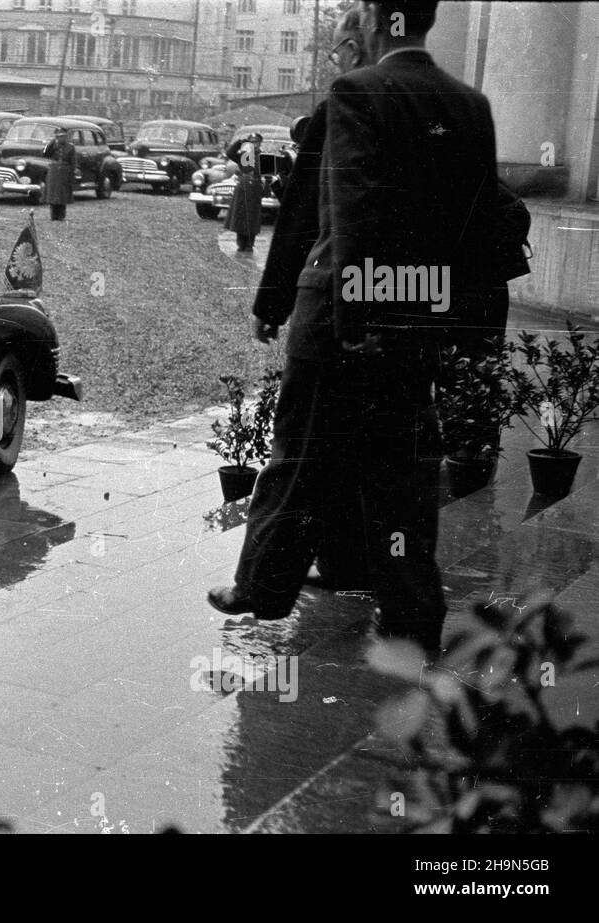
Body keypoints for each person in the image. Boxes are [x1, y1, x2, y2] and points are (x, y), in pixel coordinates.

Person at [208, 0, 500, 656]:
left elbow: (350, 212)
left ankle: (261, 585)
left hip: (342, 318)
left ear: (374, 20)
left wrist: (350, 320)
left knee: (299, 452)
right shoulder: (471, 104)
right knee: (402, 476)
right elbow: (479, 231)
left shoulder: (355, 93)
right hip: (416, 320)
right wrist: (449, 328)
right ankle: (413, 616)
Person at [219, 5, 375, 602]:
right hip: (415, 308)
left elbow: (304, 219)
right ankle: (352, 565)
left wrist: (273, 301)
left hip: (336, 303)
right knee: (377, 446)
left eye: (336, 52)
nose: (334, 62)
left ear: (356, 51)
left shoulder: (347, 106)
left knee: (300, 443)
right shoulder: (446, 103)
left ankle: (259, 585)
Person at [224, 132, 263, 253]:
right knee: (240, 216)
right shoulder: (245, 155)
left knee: (252, 218)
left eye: (256, 142)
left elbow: (269, 173)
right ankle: (241, 243)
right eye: (252, 141)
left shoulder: (263, 156)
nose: (254, 144)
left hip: (256, 188)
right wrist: (239, 142)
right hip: (244, 187)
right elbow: (229, 153)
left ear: (260, 143)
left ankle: (250, 244)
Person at [41, 126, 78, 221]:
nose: (61, 138)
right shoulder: (53, 146)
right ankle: (53, 215)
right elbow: (45, 153)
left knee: (62, 195)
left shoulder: (70, 147)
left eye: (63, 136)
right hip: (54, 172)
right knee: (53, 196)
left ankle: (61, 215)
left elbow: (73, 161)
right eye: (59, 136)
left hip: (64, 173)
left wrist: (73, 173)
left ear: (66, 137)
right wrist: (52, 142)